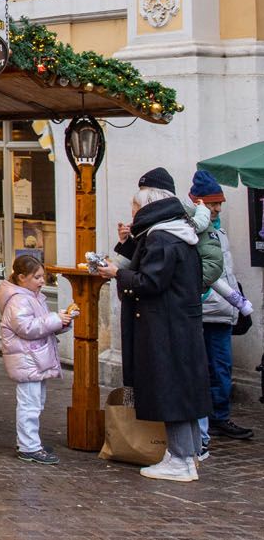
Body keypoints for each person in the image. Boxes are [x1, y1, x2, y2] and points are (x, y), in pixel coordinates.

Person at [94, 168, 211, 482]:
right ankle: (184, 455)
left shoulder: (161, 237)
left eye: (135, 206)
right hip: (176, 325)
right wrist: (127, 245)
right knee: (181, 393)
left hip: (165, 328)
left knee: (170, 391)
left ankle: (181, 459)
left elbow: (149, 281)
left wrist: (116, 274)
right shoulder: (174, 233)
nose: (132, 212)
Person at [189, 171, 254, 441]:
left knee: (222, 368)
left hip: (223, 313)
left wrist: (238, 305)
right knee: (203, 370)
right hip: (202, 312)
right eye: (212, 203)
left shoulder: (221, 232)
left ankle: (219, 416)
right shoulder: (192, 230)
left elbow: (226, 271)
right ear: (198, 202)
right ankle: (204, 418)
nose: (217, 208)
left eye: (219, 204)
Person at [0, 254, 74, 465]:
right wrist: (55, 319)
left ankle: (29, 442)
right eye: (37, 277)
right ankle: (28, 446)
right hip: (27, 358)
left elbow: (41, 325)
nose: (42, 281)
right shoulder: (19, 300)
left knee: (35, 403)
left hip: (34, 357)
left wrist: (61, 322)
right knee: (29, 404)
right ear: (22, 277)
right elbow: (27, 328)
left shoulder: (32, 296)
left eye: (43, 276)